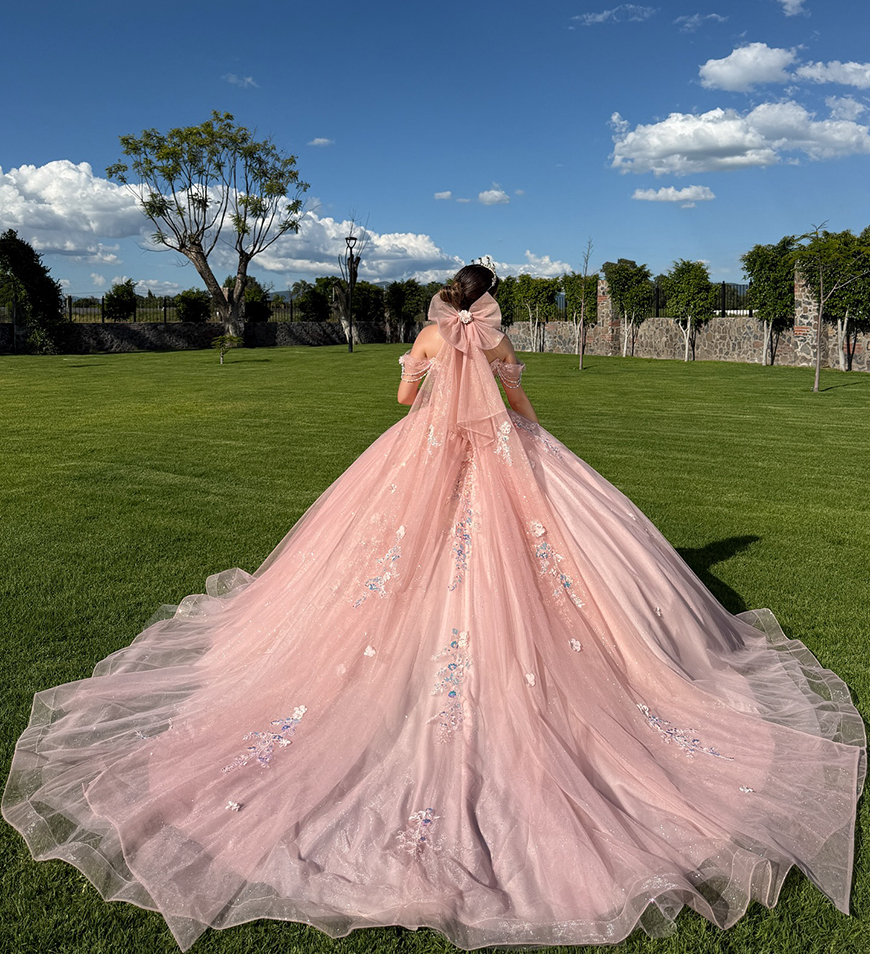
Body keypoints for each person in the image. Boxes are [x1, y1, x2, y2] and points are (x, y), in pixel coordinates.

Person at [3, 262, 865, 952]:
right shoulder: (493, 338)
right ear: (488, 300)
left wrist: (429, 385)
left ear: (447, 298)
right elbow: (514, 401)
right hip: (499, 459)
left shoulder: (425, 334)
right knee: (544, 568)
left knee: (386, 568)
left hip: (420, 458)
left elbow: (404, 403)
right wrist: (529, 425)